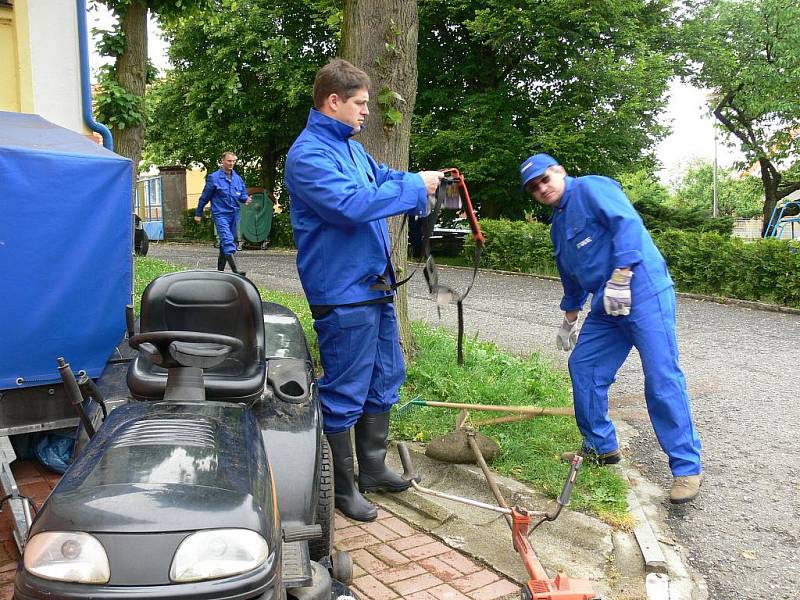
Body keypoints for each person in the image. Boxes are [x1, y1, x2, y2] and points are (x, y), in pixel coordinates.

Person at [284, 58, 443, 522]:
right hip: (342, 292)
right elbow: (351, 206)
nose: (367, 112)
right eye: (360, 103)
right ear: (333, 102)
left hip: (374, 287)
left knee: (384, 377)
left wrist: (420, 181)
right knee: (345, 389)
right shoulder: (309, 155)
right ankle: (341, 486)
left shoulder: (351, 150)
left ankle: (372, 468)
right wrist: (414, 187)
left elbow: (385, 180)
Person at [519, 153, 703, 504]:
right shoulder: (557, 226)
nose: (542, 188)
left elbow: (627, 225)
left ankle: (686, 467)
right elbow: (570, 276)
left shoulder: (591, 188)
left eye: (545, 178)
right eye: (534, 187)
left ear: (560, 171)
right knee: (584, 366)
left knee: (662, 379)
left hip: (643, 291)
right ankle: (600, 448)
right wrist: (569, 318)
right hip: (609, 304)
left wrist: (621, 276)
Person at [195, 151, 251, 275]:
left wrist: (246, 198)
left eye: (233, 161)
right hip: (220, 214)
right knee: (227, 239)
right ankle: (236, 271)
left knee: (226, 243)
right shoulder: (214, 178)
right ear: (222, 161)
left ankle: (220, 271)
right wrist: (198, 213)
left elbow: (242, 194)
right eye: (229, 161)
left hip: (234, 214)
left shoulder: (237, 178)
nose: (231, 163)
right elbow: (204, 197)